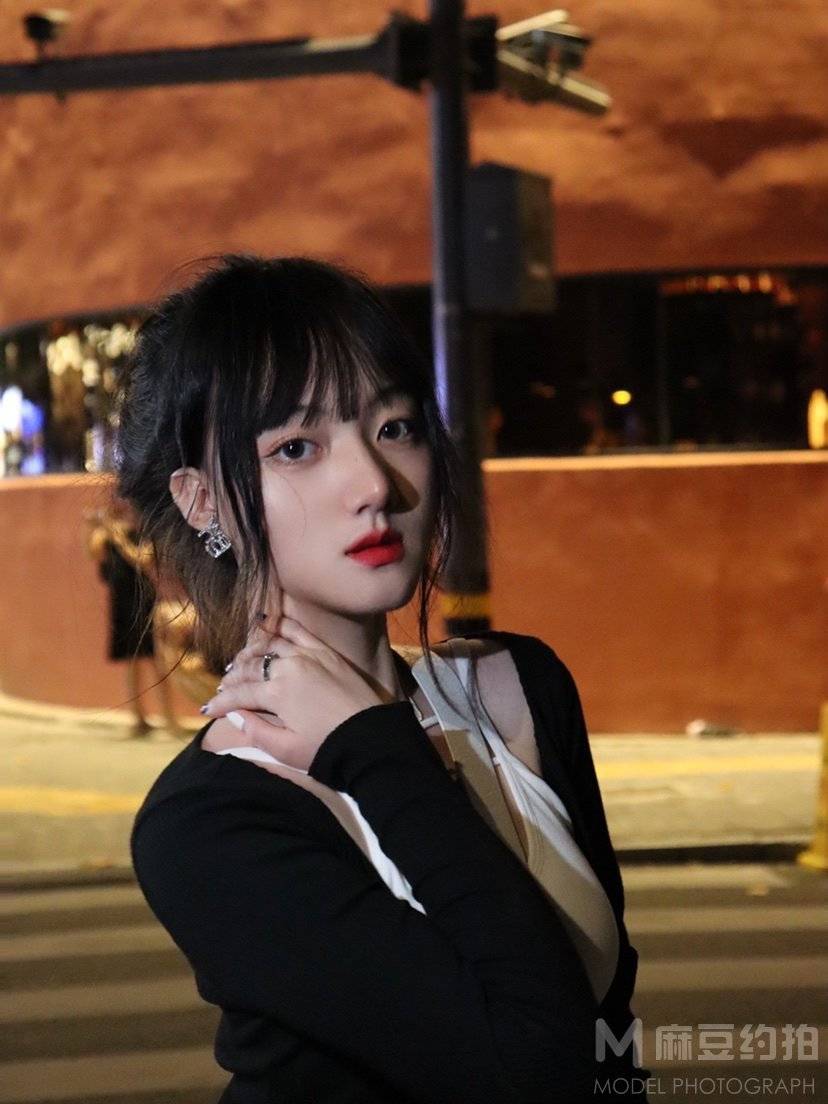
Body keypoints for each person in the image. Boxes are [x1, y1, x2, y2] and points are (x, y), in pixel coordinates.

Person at [122, 254, 649, 1103]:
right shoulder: (207, 824)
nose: (374, 483)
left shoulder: (519, 689)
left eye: (396, 426)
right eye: (296, 447)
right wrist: (373, 750)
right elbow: (534, 1069)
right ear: (202, 501)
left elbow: (611, 1046)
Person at [85, 498, 182, 738]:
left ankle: (169, 719)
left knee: (157, 661)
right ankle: (138, 719)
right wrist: (91, 527)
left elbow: (142, 559)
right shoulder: (108, 533)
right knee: (131, 661)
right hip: (120, 603)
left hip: (143, 602)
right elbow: (93, 553)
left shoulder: (145, 532)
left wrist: (118, 537)